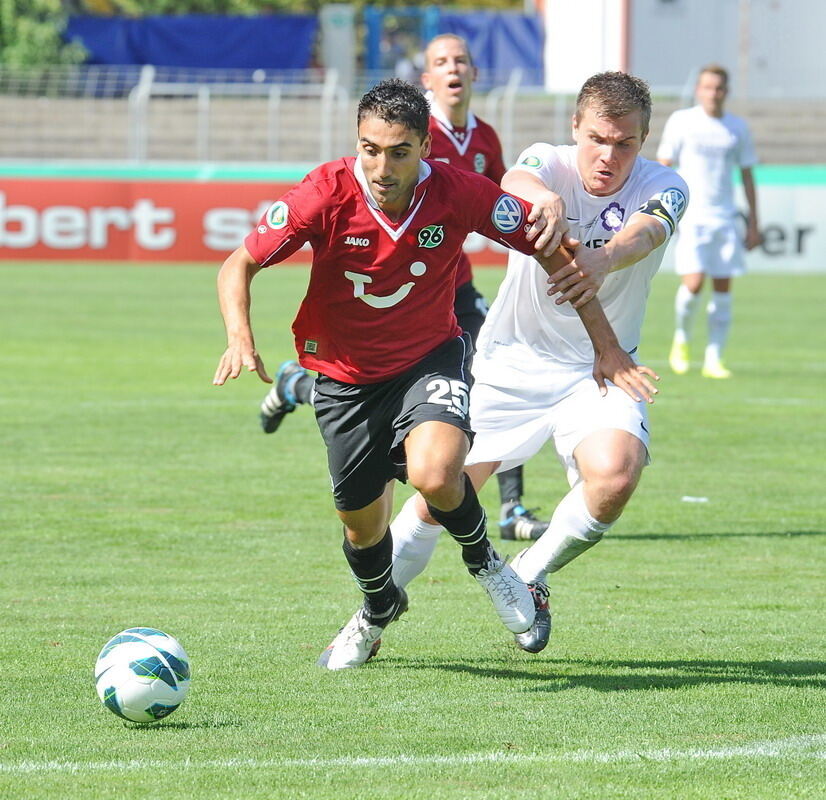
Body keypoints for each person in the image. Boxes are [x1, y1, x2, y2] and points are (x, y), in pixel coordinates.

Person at [213, 79, 642, 670]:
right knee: (364, 532)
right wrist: (240, 336)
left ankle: (491, 567)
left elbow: (547, 247)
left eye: (398, 152)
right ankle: (375, 610)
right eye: (369, 148)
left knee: (436, 472)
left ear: (424, 147)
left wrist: (606, 345)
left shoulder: (457, 191)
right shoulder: (324, 193)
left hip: (429, 359)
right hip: (344, 378)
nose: (381, 166)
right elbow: (239, 263)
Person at [379, 71, 688, 656]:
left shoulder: (665, 184)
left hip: (602, 368)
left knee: (616, 475)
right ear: (576, 128)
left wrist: (607, 254)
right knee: (439, 496)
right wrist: (538, 196)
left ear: (642, 142)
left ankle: (528, 574)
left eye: (626, 144)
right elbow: (516, 176)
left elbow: (651, 228)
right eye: (598, 138)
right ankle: (372, 613)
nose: (609, 155)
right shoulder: (548, 161)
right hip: (512, 363)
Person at [260, 33, 549, 543]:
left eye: (461, 59)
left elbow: (504, 202)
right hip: (392, 296)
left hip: (450, 287)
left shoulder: (484, 137)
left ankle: (510, 504)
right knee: (382, 388)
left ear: (475, 73)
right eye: (441, 61)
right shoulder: (406, 125)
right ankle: (299, 385)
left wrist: (544, 200)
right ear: (428, 79)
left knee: (487, 380)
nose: (453, 68)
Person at [658, 64, 760, 379]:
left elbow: (746, 173)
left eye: (719, 88)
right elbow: (664, 165)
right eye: (707, 87)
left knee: (723, 288)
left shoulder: (736, 128)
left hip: (726, 217)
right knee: (693, 283)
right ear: (698, 90)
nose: (713, 93)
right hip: (692, 215)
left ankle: (714, 357)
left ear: (726, 92)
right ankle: (682, 338)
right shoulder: (682, 121)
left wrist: (754, 221)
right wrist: (664, 210)